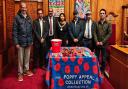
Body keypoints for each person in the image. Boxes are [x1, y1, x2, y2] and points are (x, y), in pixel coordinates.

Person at [12, 2, 33, 81]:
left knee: (27, 57)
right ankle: (20, 73)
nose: (24, 9)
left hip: (28, 41)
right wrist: (16, 42)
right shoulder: (17, 17)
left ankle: (25, 70)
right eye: (22, 7)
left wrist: (31, 40)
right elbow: (14, 31)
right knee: (20, 59)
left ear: (26, 8)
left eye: (25, 7)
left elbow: (31, 31)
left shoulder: (29, 17)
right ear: (20, 8)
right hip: (20, 42)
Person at [93, 9, 112, 73]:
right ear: (99, 14)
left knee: (104, 59)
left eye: (103, 13)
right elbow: (94, 33)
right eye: (101, 13)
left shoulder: (108, 24)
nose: (102, 14)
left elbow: (109, 34)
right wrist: (96, 41)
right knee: (96, 58)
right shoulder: (96, 23)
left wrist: (102, 42)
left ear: (105, 15)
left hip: (104, 44)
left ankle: (102, 70)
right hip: (97, 44)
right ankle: (96, 70)